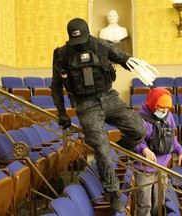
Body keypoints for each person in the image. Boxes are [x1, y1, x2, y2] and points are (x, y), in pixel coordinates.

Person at [51, 18, 149, 213]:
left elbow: (122, 56)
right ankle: (113, 194)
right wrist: (62, 113)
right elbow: (56, 85)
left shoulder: (102, 45)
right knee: (102, 150)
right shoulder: (61, 54)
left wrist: (129, 60)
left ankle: (120, 148)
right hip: (86, 105)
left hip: (109, 97)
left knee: (140, 129)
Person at [133, 88, 182, 216]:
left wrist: (180, 152)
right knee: (144, 205)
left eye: (167, 108)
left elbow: (171, 137)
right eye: (161, 107)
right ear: (152, 103)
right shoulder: (139, 117)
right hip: (144, 168)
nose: (164, 111)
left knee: (159, 204)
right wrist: (144, 149)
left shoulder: (168, 116)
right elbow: (133, 139)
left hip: (161, 168)